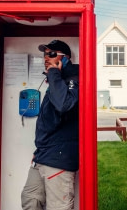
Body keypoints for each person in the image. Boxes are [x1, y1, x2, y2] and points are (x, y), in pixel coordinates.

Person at [21, 39, 79, 210]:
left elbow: (63, 105)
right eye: (45, 54)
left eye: (52, 54)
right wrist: (38, 151)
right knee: (30, 199)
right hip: (42, 155)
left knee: (58, 207)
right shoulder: (55, 80)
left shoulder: (73, 79)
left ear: (65, 58)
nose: (46, 58)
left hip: (59, 158)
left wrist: (53, 72)